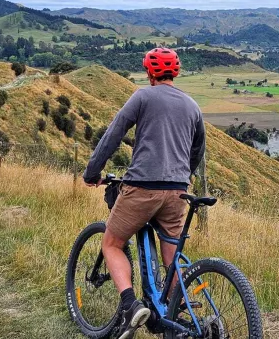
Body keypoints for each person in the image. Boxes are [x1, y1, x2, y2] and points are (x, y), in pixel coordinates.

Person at [83, 47, 206, 339]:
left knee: (112, 243)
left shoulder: (142, 96)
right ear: (175, 72)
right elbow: (197, 151)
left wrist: (92, 172)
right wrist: (180, 176)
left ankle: (130, 305)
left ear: (150, 72)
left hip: (143, 187)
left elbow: (113, 134)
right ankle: (175, 321)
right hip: (178, 192)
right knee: (172, 259)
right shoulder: (192, 105)